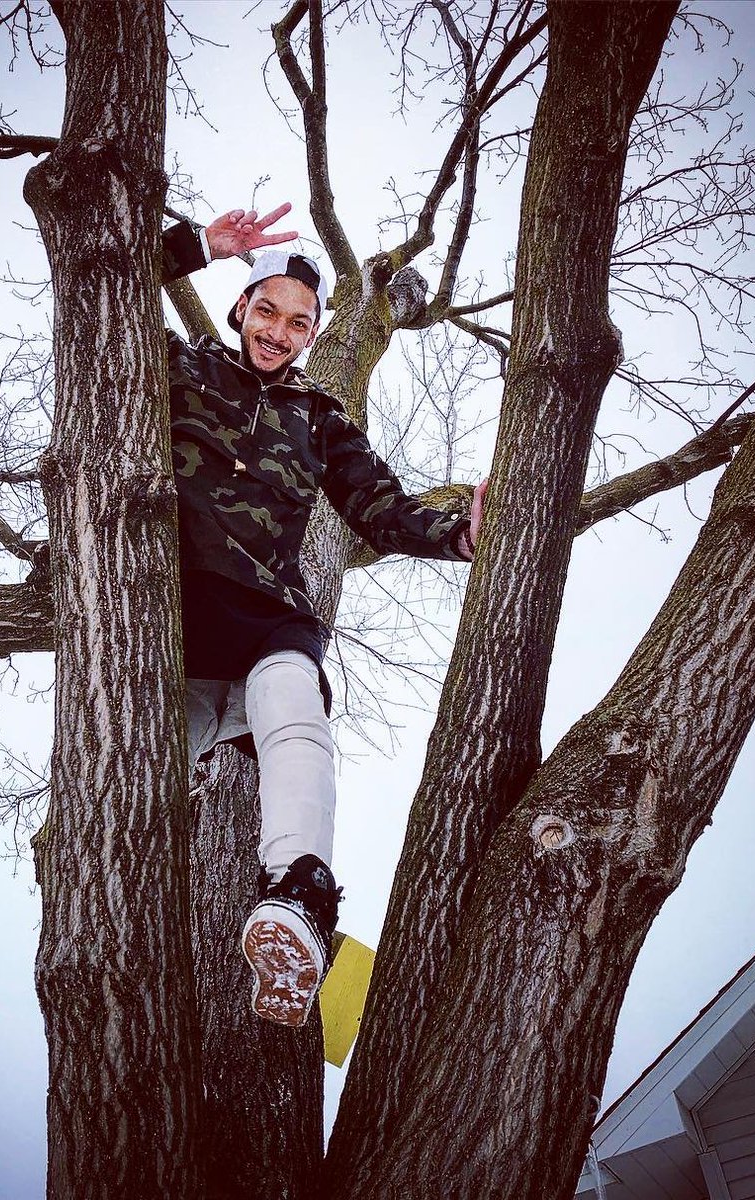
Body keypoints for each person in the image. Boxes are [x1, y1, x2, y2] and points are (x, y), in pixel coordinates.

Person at [161, 204, 487, 1028]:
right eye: (266, 311)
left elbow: (378, 504)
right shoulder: (177, 366)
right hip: (174, 613)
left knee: (297, 711)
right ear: (239, 310)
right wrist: (198, 247)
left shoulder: (319, 416)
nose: (279, 330)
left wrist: (457, 536)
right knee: (150, 778)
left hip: (269, 614)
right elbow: (105, 288)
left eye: (299, 323)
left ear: (314, 335)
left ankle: (297, 900)